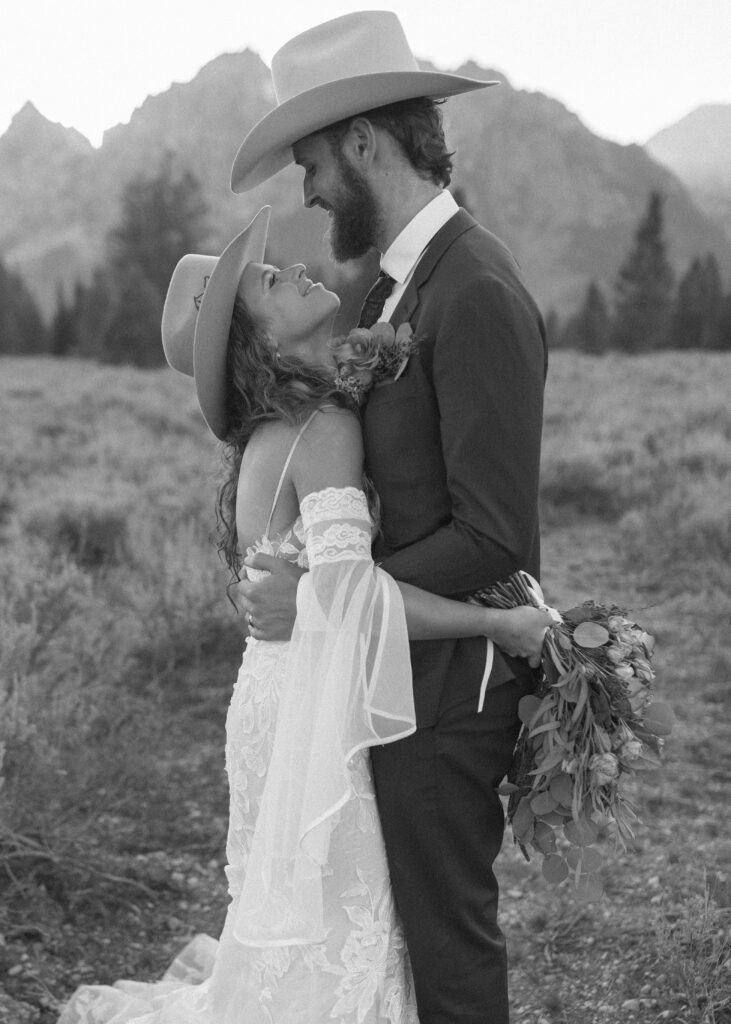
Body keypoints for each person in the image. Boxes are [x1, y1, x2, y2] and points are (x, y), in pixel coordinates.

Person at [56, 205, 549, 1024]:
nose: (287, 270)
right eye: (266, 283)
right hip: (310, 702)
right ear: (260, 340)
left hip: (274, 692)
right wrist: (497, 625)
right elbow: (349, 600)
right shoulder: (321, 428)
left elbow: (318, 589)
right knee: (337, 932)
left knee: (299, 932)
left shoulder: (278, 431)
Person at [228, 12, 548, 1024]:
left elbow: (493, 534)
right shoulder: (386, 294)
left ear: (366, 142)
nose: (310, 190)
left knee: (448, 953)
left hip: (451, 694)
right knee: (407, 950)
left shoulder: (476, 288)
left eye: (315, 162)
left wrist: (330, 598)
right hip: (395, 677)